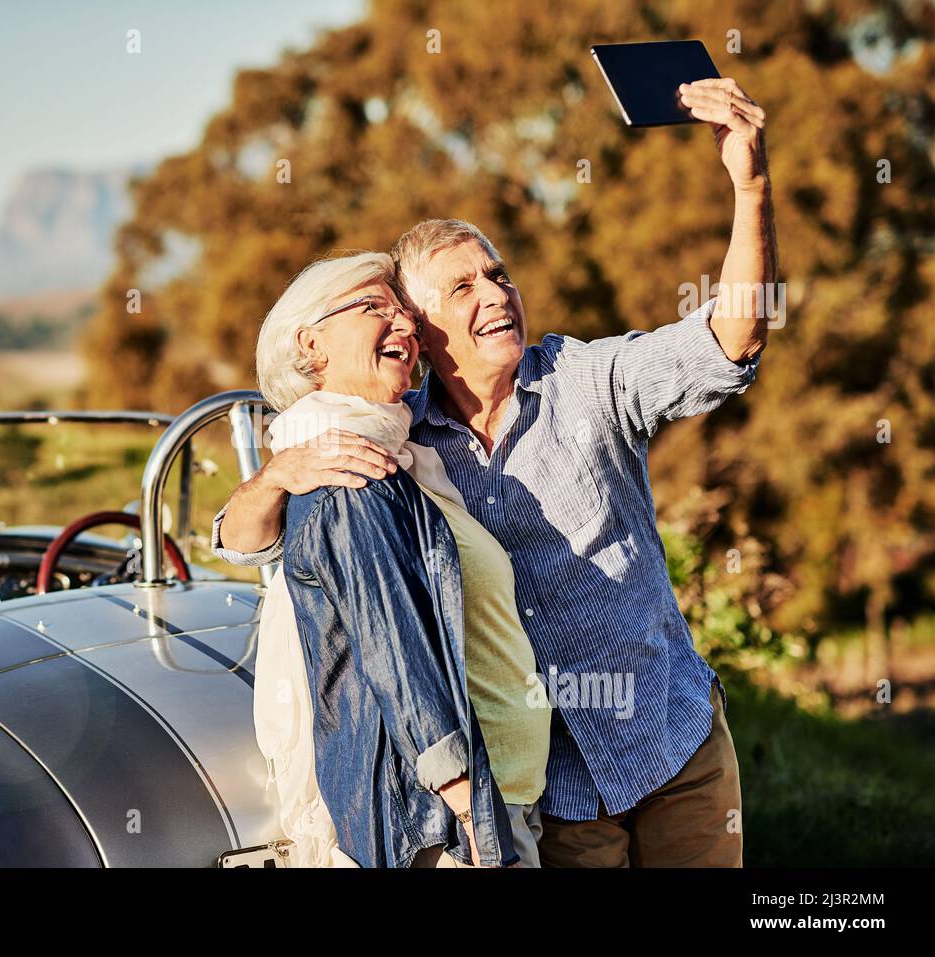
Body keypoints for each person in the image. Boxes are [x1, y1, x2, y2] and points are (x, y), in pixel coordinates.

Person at [217, 77, 776, 866]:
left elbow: (732, 339)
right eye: (463, 286)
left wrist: (749, 188)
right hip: (556, 792)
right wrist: (273, 478)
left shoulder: (588, 378)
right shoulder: (399, 441)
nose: (496, 293)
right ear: (420, 324)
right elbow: (251, 547)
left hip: (674, 742)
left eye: (498, 273)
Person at [250, 250, 549, 868]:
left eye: (406, 313)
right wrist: (468, 810)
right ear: (312, 345)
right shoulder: (347, 467)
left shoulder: (394, 446)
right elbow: (394, 646)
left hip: (488, 801)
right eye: (373, 308)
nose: (407, 327)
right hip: (438, 824)